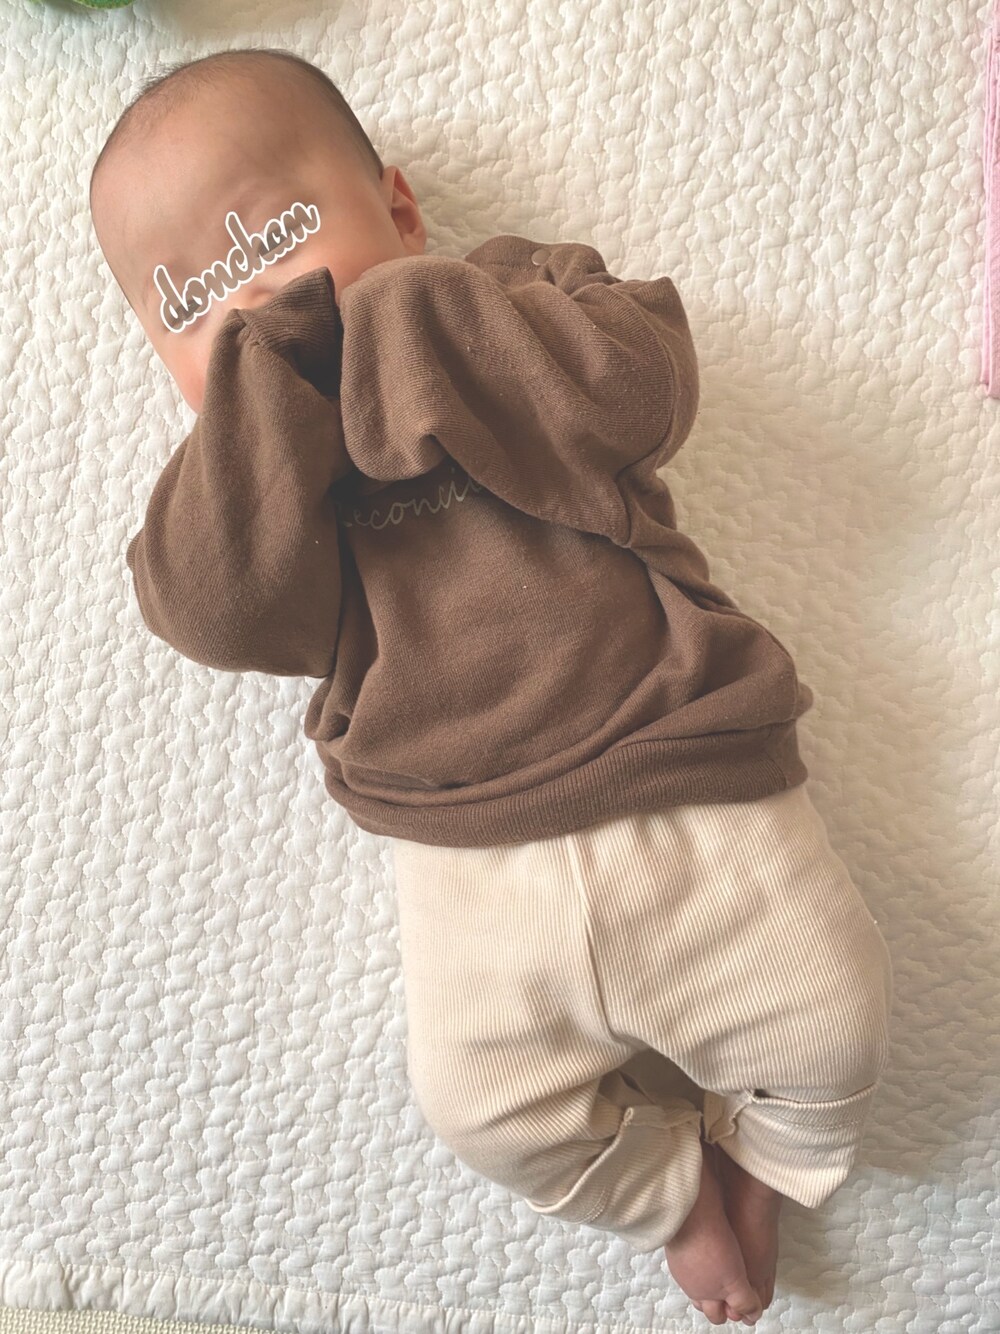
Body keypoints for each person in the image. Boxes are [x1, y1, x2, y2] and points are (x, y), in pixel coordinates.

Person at [90, 46, 894, 1327]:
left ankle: (763, 1159)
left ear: (400, 210)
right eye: (187, 302)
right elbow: (213, 612)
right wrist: (258, 407)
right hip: (467, 857)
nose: (250, 297)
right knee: (482, 1111)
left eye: (278, 233)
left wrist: (414, 318)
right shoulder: (242, 488)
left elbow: (646, 385)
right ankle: (676, 1197)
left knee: (834, 1024)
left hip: (679, 763)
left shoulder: (517, 294)